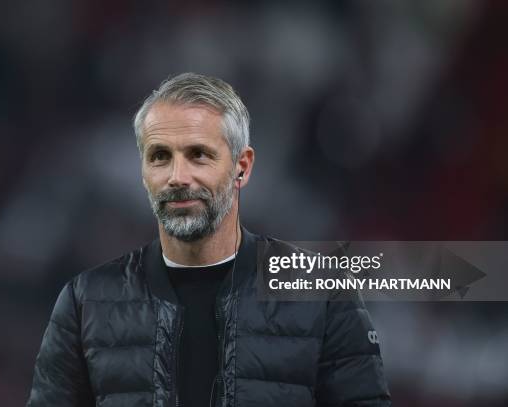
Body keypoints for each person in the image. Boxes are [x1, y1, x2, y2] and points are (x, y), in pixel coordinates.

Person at [26, 73, 391, 407]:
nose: (178, 177)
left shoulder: (325, 299)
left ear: (242, 167)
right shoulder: (83, 300)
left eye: (199, 155)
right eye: (160, 157)